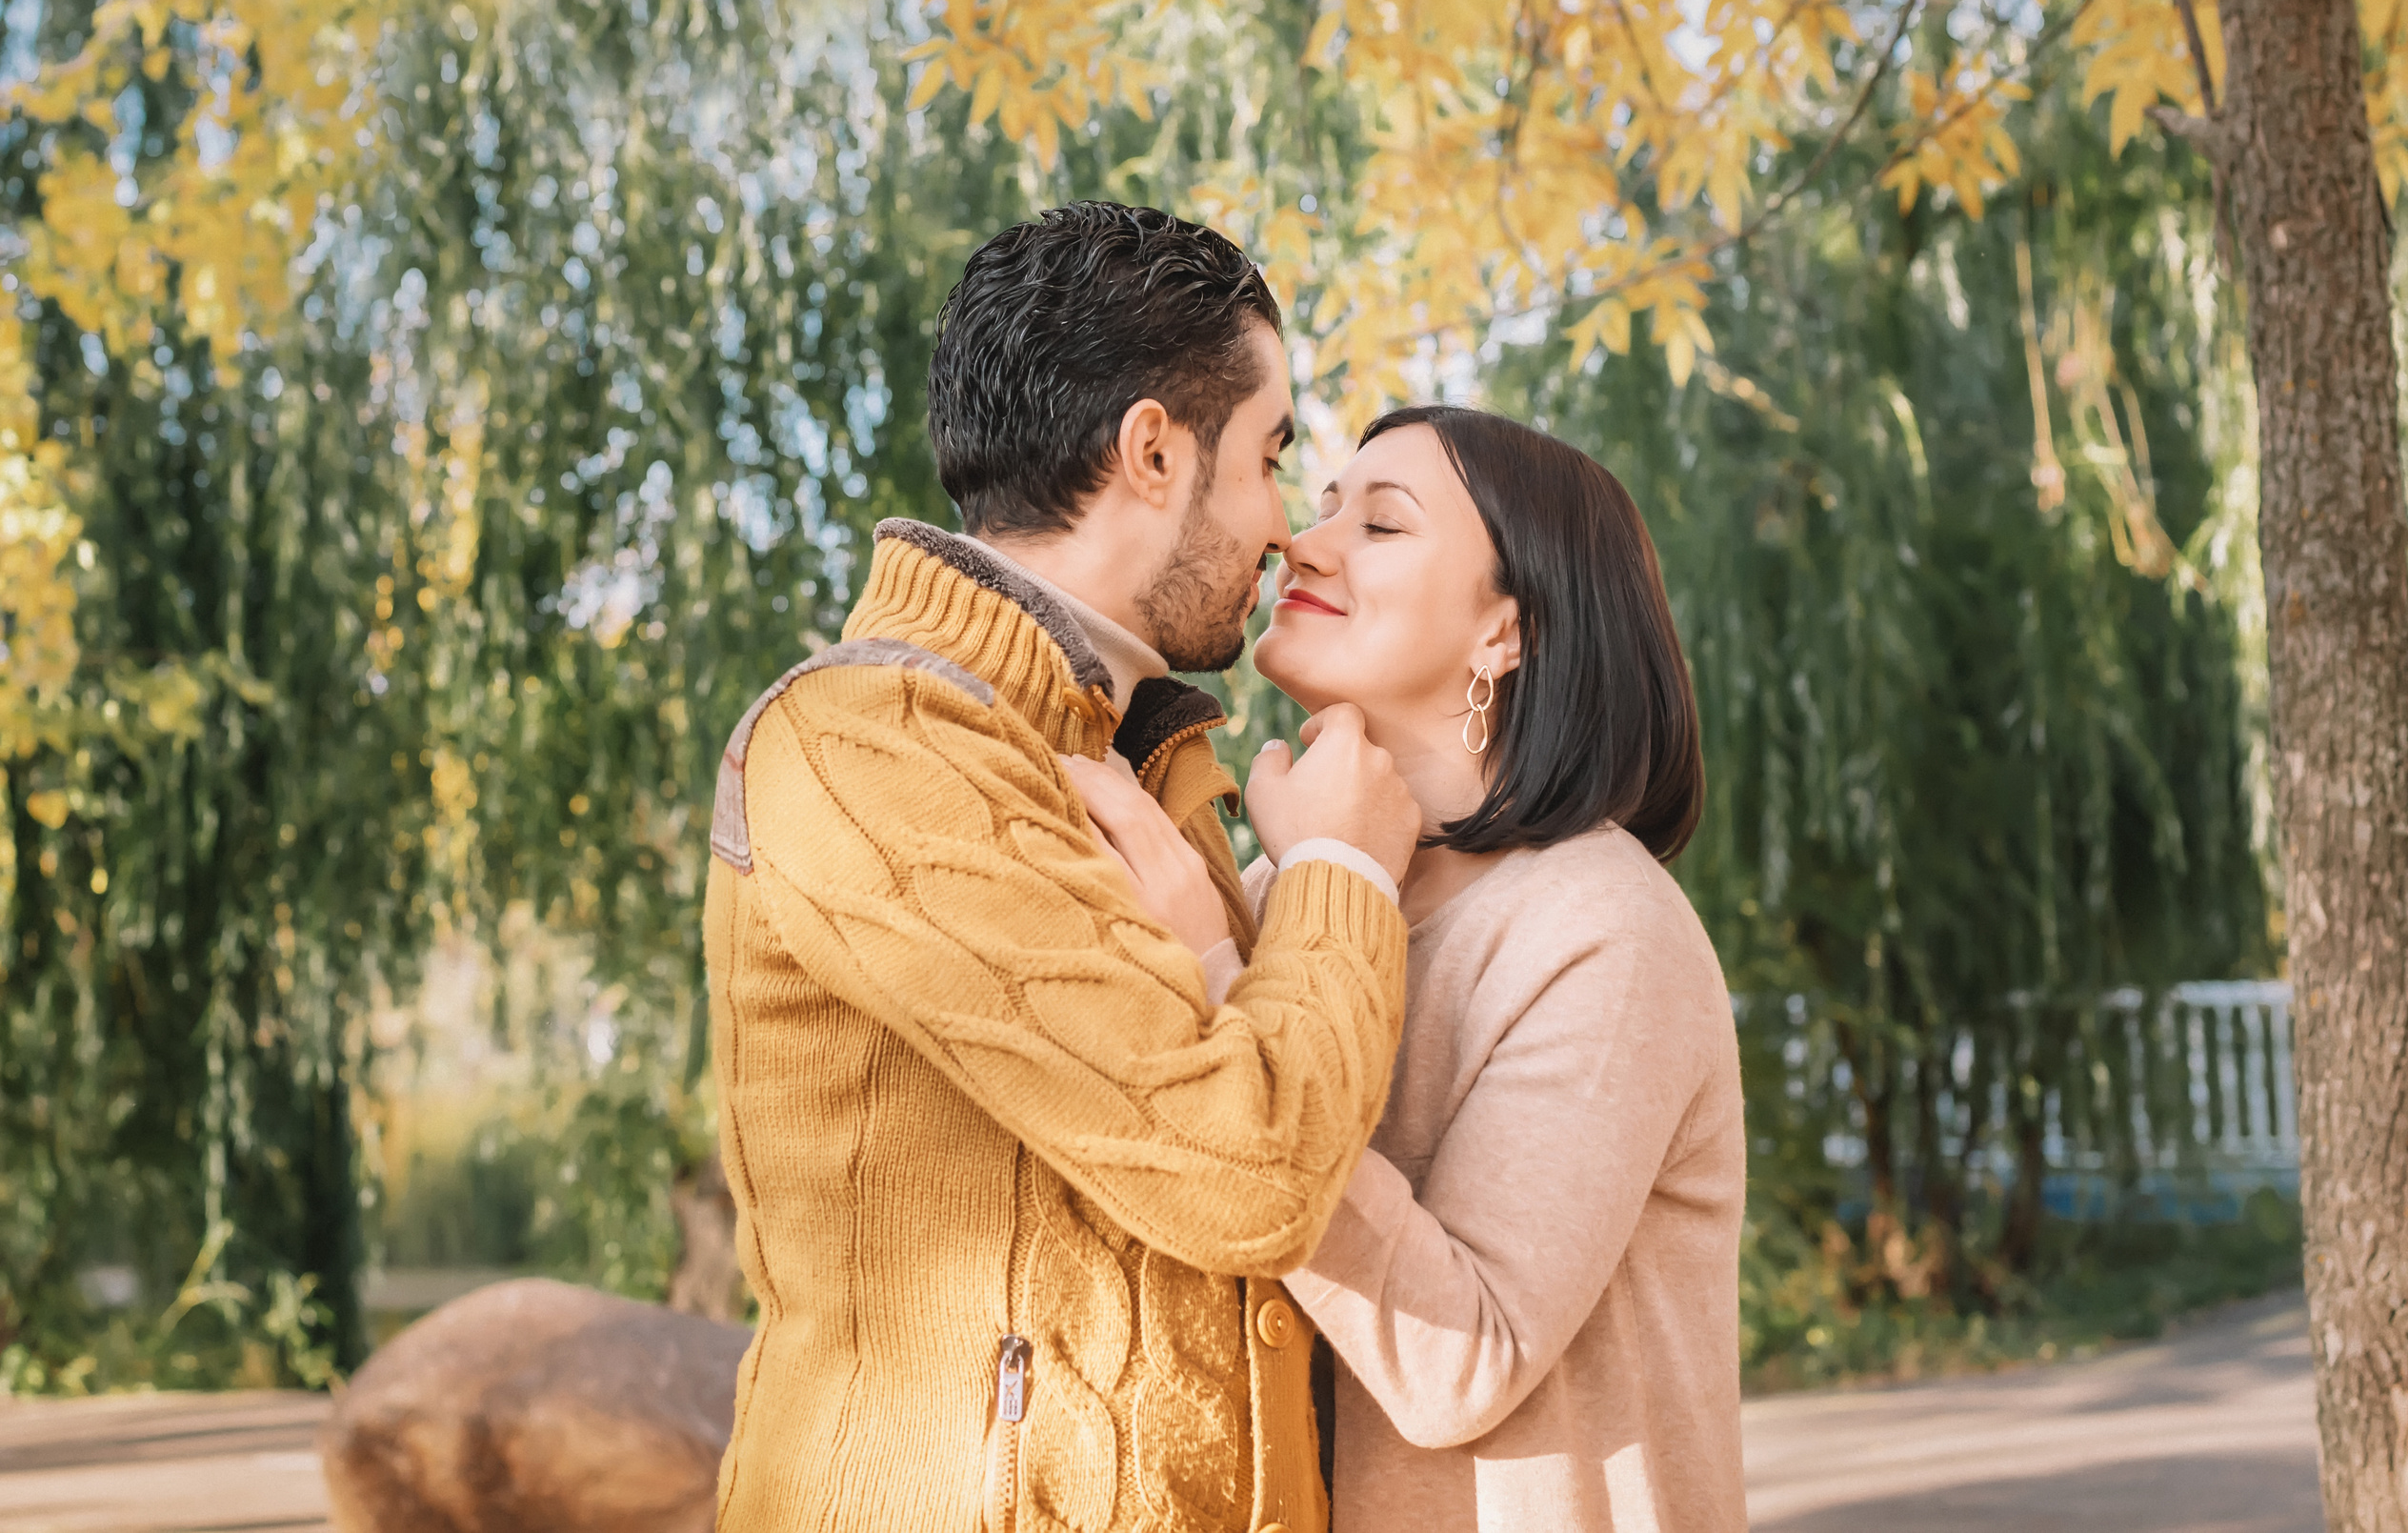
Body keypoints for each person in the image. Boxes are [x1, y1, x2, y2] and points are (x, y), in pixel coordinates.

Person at [702, 203, 1420, 1532]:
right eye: (1267, 455)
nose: (1281, 527)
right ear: (1154, 450)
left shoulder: (1143, 757)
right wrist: (1340, 875)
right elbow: (1250, 1170)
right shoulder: (868, 744)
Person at [1089, 405, 1747, 1531]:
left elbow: (1464, 1362)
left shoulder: (1601, 929)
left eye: (1381, 525)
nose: (1307, 539)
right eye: (1325, 501)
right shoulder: (1278, 895)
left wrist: (1212, 975)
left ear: (1506, 631)